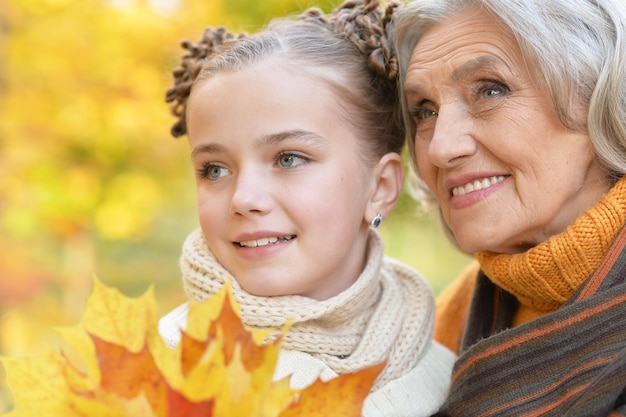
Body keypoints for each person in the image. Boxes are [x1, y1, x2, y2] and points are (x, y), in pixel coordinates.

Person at [159, 1, 456, 415]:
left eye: (288, 159)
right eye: (214, 169)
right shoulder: (159, 373)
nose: (244, 198)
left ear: (381, 187)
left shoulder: (448, 378)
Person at [392, 0, 626, 415]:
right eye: (425, 111)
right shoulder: (453, 314)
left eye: (490, 89)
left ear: (601, 95)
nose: (442, 146)